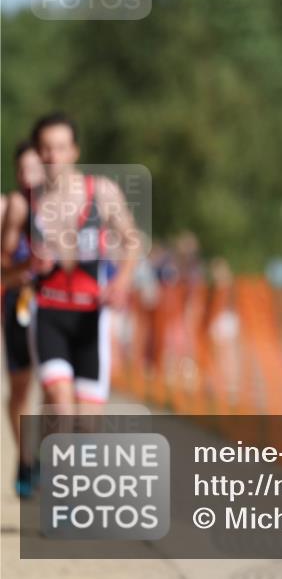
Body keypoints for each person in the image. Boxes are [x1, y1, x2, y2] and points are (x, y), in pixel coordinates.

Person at [7, 113, 142, 423]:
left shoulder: (102, 192)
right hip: (48, 312)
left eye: (61, 147)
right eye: (46, 148)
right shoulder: (24, 204)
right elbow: (5, 271)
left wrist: (121, 282)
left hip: (91, 314)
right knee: (60, 405)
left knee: (87, 424)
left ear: (74, 151)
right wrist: (28, 264)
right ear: (37, 153)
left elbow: (133, 241)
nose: (53, 156)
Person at [1, 141, 46, 496]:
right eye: (22, 169)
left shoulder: (65, 207)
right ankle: (26, 456)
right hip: (20, 302)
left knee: (54, 384)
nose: (28, 176)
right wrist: (26, 267)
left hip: (55, 306)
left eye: (35, 168)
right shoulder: (13, 206)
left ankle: (46, 456)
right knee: (20, 390)